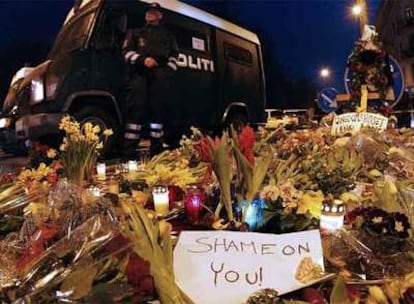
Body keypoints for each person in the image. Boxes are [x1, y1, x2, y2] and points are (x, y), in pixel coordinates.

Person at [122, 2, 178, 158]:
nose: (149, 14)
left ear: (159, 16)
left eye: (153, 12)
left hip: (159, 77)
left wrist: (165, 73)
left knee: (157, 114)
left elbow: (174, 57)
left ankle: (157, 150)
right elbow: (126, 53)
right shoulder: (135, 32)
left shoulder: (168, 36)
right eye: (148, 12)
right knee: (136, 111)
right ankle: (128, 152)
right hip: (139, 76)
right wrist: (141, 60)